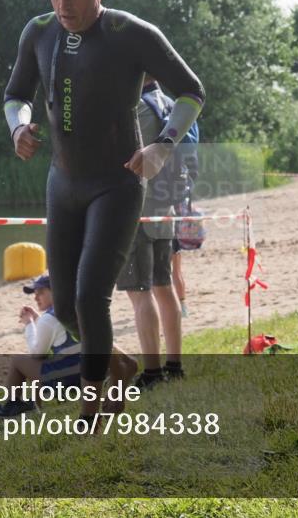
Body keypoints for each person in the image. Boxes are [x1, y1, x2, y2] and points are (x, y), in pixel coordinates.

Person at [4, 0, 204, 421]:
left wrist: (161, 145)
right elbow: (16, 94)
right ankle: (119, 365)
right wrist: (19, 127)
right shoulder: (38, 32)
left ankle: (93, 411)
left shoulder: (129, 33)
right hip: (64, 182)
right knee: (66, 305)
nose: (63, 6)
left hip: (118, 182)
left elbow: (192, 91)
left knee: (93, 294)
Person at [116, 79, 186, 389]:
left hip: (136, 209)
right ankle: (174, 365)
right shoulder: (170, 104)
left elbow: (125, 157)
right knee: (164, 285)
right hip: (165, 208)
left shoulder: (137, 107)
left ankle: (153, 373)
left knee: (140, 293)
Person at [0, 274, 81, 418]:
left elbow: (37, 353)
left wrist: (29, 324)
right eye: (35, 294)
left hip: (68, 380)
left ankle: (12, 405)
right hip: (88, 375)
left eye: (41, 293)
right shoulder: (75, 308)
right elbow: (56, 333)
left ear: (56, 291)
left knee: (18, 360)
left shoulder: (49, 319)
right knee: (47, 361)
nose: (35, 298)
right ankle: (34, 404)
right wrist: (37, 321)